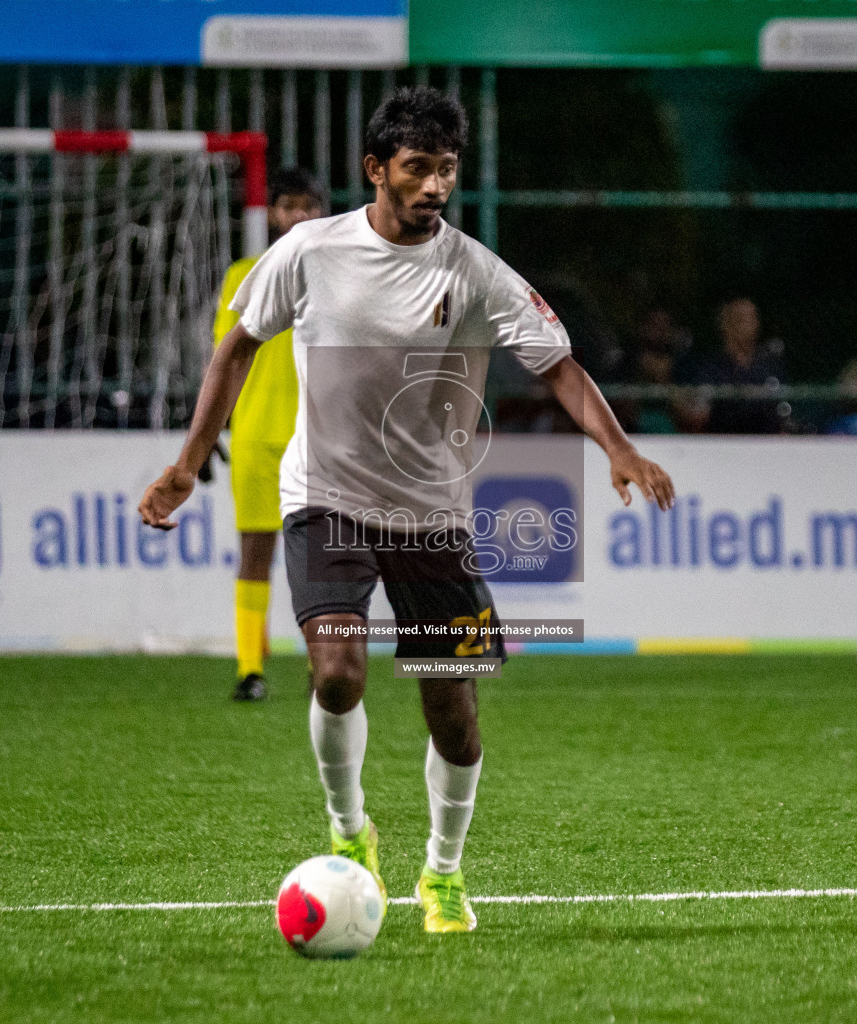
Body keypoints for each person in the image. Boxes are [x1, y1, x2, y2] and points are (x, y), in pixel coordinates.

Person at [139, 87, 674, 934]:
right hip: (326, 500)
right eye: (417, 168)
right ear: (376, 169)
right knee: (336, 671)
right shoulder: (311, 251)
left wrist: (617, 446)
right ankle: (350, 835)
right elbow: (234, 351)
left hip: (432, 519)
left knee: (452, 713)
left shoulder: (475, 270)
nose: (434, 186)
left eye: (447, 169)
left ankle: (443, 874)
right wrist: (185, 464)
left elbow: (559, 364)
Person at [213, 167, 328, 702]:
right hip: (257, 433)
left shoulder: (341, 272)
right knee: (255, 550)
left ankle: (323, 664)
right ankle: (249, 669)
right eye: (288, 205)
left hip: (321, 437)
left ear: (323, 212)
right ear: (271, 213)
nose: (299, 215)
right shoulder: (243, 274)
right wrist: (213, 423)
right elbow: (225, 358)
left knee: (321, 556)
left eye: (309, 205)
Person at [690, 296, 788, 434]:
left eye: (754, 318)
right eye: (743, 319)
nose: (752, 324)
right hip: (725, 443)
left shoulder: (769, 365)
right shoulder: (711, 366)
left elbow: (782, 412)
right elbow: (700, 414)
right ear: (727, 325)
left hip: (766, 443)